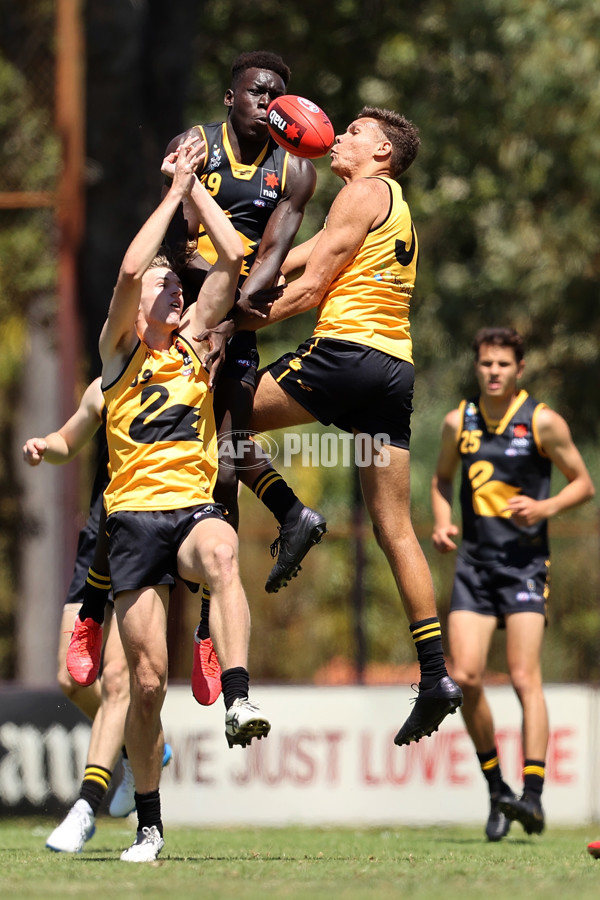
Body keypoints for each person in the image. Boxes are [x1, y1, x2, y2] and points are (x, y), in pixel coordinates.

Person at [209, 106, 463, 745]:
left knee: (217, 419)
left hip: (344, 357)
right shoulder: (392, 203)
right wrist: (253, 267)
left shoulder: (360, 190)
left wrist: (228, 323)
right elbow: (311, 255)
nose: (342, 136)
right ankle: (436, 676)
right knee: (396, 529)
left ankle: (292, 513)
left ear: (382, 152)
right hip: (394, 371)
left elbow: (316, 286)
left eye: (355, 131)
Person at [99, 135, 269, 862]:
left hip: (189, 512)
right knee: (144, 686)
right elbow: (133, 264)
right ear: (140, 307)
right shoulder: (119, 352)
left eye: (177, 285)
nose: (174, 290)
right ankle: (148, 823)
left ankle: (238, 698)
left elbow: (234, 259)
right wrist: (172, 189)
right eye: (165, 288)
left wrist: (197, 185)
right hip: (132, 521)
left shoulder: (197, 344)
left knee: (224, 550)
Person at [163, 50, 326, 705]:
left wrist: (233, 315)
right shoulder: (194, 147)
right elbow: (174, 244)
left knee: (226, 463)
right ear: (231, 98)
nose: (268, 101)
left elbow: (272, 263)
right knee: (127, 436)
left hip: (236, 322)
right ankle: (92, 598)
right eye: (257, 91)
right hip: (179, 315)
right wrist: (209, 308)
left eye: (278, 93)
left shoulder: (297, 172)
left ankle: (208, 625)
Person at [431, 327, 595, 841]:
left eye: (503, 364)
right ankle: (497, 788)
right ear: (476, 367)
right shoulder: (459, 421)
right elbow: (441, 480)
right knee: (466, 677)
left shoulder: (543, 422)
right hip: (475, 568)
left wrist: (544, 508)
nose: (494, 372)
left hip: (525, 566)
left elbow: (584, 483)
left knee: (525, 677)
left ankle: (533, 796)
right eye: (486, 364)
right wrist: (441, 519)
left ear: (519, 369)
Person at [22, 380, 172, 852]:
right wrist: (47, 446)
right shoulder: (110, 379)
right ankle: (141, 747)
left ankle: (85, 808)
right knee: (71, 678)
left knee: (116, 682)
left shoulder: (185, 371)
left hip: (146, 535)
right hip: (98, 537)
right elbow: (72, 437)